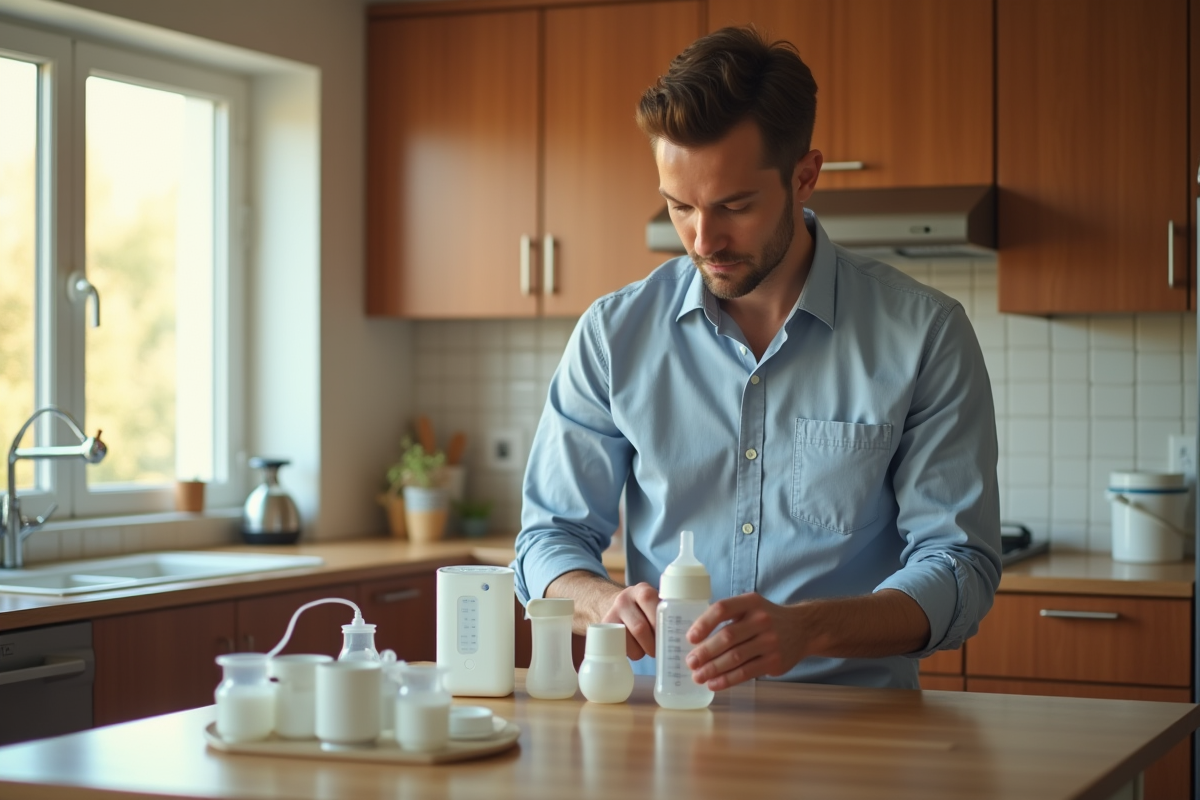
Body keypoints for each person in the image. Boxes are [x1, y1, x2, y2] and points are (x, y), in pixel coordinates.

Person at [512, 26, 1001, 690]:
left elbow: (960, 567)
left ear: (805, 177)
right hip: (668, 720)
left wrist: (809, 629)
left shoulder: (926, 336)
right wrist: (603, 603)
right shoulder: (612, 335)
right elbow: (547, 541)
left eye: (734, 206)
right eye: (679, 207)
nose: (703, 240)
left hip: (855, 728)